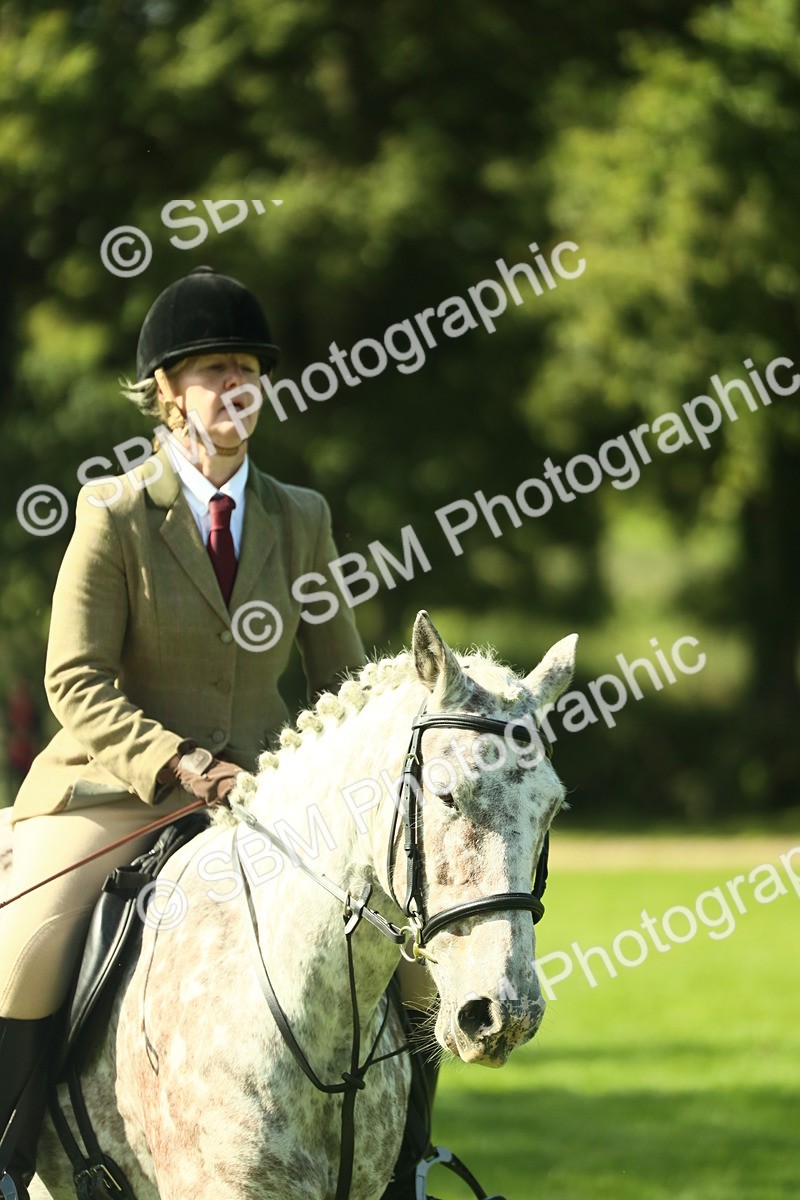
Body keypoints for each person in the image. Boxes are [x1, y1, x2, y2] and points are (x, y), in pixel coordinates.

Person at [0, 266, 376, 1199]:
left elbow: (343, 680)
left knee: (397, 962)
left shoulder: (302, 519)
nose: (231, 388)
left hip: (260, 796)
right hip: (116, 790)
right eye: (210, 369)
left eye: (245, 368)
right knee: (25, 945)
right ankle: (6, 1161)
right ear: (167, 391)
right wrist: (176, 759)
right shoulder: (113, 513)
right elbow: (73, 680)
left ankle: (398, 1162)